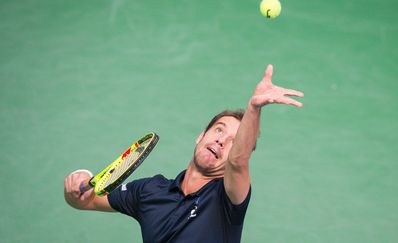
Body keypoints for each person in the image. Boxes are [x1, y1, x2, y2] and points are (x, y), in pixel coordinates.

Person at [64, 64, 304, 243]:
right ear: (201, 136)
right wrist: (78, 179)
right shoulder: (149, 191)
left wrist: (254, 108)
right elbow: (82, 201)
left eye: (233, 141)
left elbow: (238, 161)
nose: (221, 140)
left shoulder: (228, 199)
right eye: (219, 130)